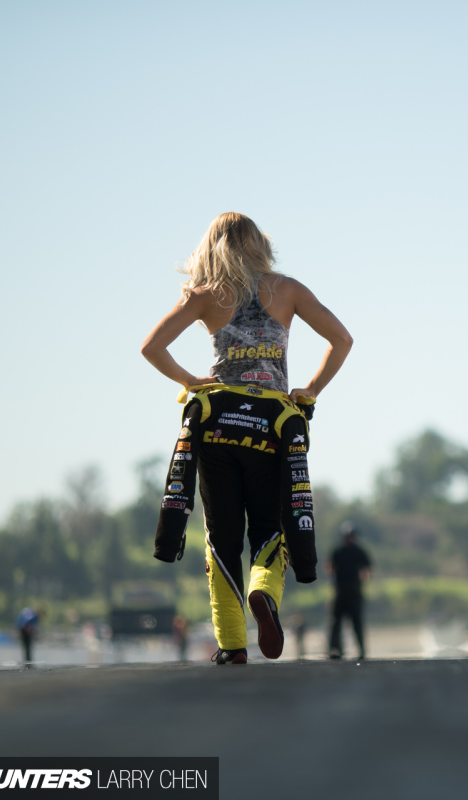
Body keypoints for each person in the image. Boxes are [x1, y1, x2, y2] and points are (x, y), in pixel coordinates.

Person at [142, 212, 353, 665]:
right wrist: (310, 391)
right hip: (271, 421)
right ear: (260, 244)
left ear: (211, 246)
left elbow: (151, 347)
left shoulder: (205, 295)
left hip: (219, 420)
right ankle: (265, 593)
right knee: (268, 525)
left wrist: (192, 381)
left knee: (221, 535)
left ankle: (232, 644)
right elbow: (341, 338)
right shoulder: (288, 289)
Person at [328, 522, 372, 660]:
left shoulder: (359, 551)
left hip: (354, 591)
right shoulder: (338, 551)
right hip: (340, 591)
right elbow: (330, 568)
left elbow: (366, 569)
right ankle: (335, 649)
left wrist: (361, 584)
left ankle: (361, 650)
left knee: (357, 622)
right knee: (336, 623)